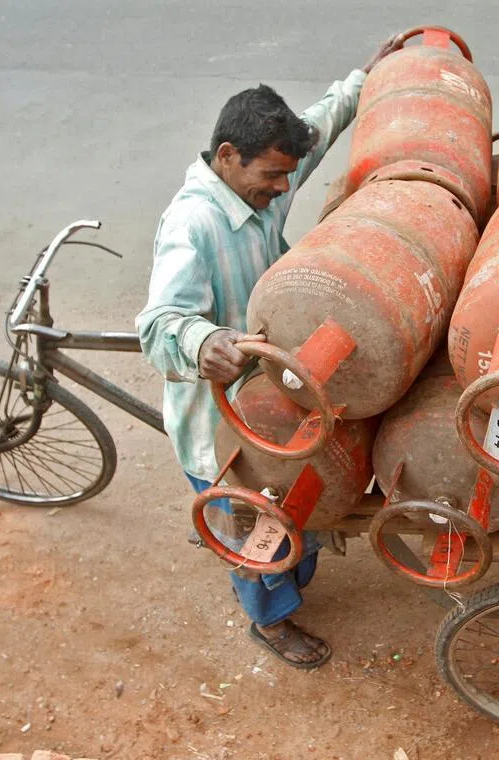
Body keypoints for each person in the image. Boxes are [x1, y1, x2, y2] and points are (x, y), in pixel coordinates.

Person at [136, 35, 402, 669]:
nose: (283, 188)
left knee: (295, 503)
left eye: (288, 174)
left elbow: (318, 123)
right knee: (250, 520)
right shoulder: (193, 225)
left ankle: (293, 567)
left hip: (279, 392)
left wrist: (364, 77)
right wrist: (206, 342)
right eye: (272, 176)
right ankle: (271, 621)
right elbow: (157, 323)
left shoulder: (259, 184)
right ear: (228, 157)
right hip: (223, 416)